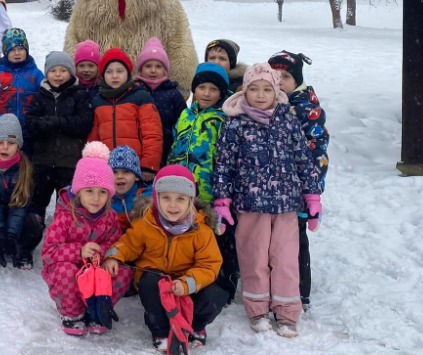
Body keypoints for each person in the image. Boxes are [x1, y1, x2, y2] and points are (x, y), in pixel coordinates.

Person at [211, 63, 321, 338]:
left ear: (276, 92)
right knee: (254, 257)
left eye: (266, 89)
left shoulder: (288, 121)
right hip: (250, 205)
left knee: (285, 259)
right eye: (253, 89)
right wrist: (222, 200)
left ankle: (286, 312)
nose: (260, 95)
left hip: (286, 205)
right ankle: (257, 309)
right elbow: (223, 165)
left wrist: (312, 196)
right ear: (244, 91)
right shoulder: (234, 124)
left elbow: (303, 160)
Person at [103, 165, 228, 350]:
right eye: (166, 198)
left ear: (190, 201)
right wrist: (114, 256)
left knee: (215, 294)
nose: (173, 205)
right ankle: (161, 330)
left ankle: (195, 326)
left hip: (188, 282)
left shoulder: (201, 230)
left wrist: (187, 284)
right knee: (149, 283)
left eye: (180, 199)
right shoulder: (147, 223)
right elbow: (128, 244)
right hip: (157, 280)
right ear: (156, 198)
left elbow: (209, 264)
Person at [41, 142, 133, 336]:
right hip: (68, 272)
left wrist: (109, 256)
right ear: (78, 191)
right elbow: (49, 253)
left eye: (102, 192)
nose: (96, 198)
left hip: (95, 272)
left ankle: (96, 310)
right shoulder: (65, 217)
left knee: (123, 272)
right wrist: (79, 251)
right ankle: (72, 314)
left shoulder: (110, 218)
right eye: (89, 191)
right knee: (65, 270)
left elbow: (117, 242)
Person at [168, 62, 238, 303]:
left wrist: (223, 193)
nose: (207, 93)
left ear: (222, 93)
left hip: (211, 193)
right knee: (188, 238)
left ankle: (222, 287)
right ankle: (188, 282)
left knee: (216, 241)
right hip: (184, 192)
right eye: (202, 87)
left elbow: (227, 160)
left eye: (213, 89)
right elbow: (175, 147)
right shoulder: (186, 115)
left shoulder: (224, 119)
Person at [268, 50, 329, 310]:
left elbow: (316, 153)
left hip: (298, 189)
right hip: (274, 188)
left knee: (295, 242)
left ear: (297, 80)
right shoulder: (271, 101)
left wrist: (310, 192)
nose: (279, 80)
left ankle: (300, 292)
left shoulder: (306, 109)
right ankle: (276, 287)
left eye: (285, 76)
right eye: (274, 75)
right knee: (274, 240)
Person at [26, 51, 93, 218]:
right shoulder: (39, 96)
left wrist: (59, 122)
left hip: (69, 162)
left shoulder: (79, 95)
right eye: (53, 70)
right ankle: (34, 228)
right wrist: (43, 124)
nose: (58, 75)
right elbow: (30, 123)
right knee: (36, 202)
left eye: (63, 70)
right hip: (43, 161)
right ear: (46, 72)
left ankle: (62, 231)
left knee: (67, 206)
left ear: (70, 72)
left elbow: (84, 123)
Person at [0, 114, 43, 269]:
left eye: (11, 143)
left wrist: (11, 235)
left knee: (33, 223)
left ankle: (24, 250)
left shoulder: (25, 169)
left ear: (18, 146)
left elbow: (21, 205)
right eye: (0, 142)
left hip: (18, 212)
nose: (5, 147)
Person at [87, 48, 163, 178]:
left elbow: (152, 135)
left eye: (120, 71)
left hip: (135, 169)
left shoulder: (141, 97)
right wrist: (92, 165)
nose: (115, 76)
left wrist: (149, 165)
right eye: (109, 72)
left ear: (128, 73)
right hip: (107, 169)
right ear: (103, 75)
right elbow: (93, 139)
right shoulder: (97, 102)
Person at [0, 28, 44, 151]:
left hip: (30, 132)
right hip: (5, 134)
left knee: (28, 164)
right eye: (12, 50)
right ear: (6, 52)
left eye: (21, 49)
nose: (17, 53)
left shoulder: (36, 75)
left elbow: (45, 101)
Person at [136, 37, 187, 165]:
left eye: (158, 66)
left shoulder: (174, 94)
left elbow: (183, 124)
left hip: (167, 151)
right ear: (140, 69)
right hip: (138, 150)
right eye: (148, 66)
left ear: (165, 70)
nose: (153, 70)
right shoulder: (134, 92)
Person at [109, 146, 151, 233]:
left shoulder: (147, 197)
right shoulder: (106, 201)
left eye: (126, 172)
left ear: (136, 176)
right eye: (114, 172)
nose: (120, 176)